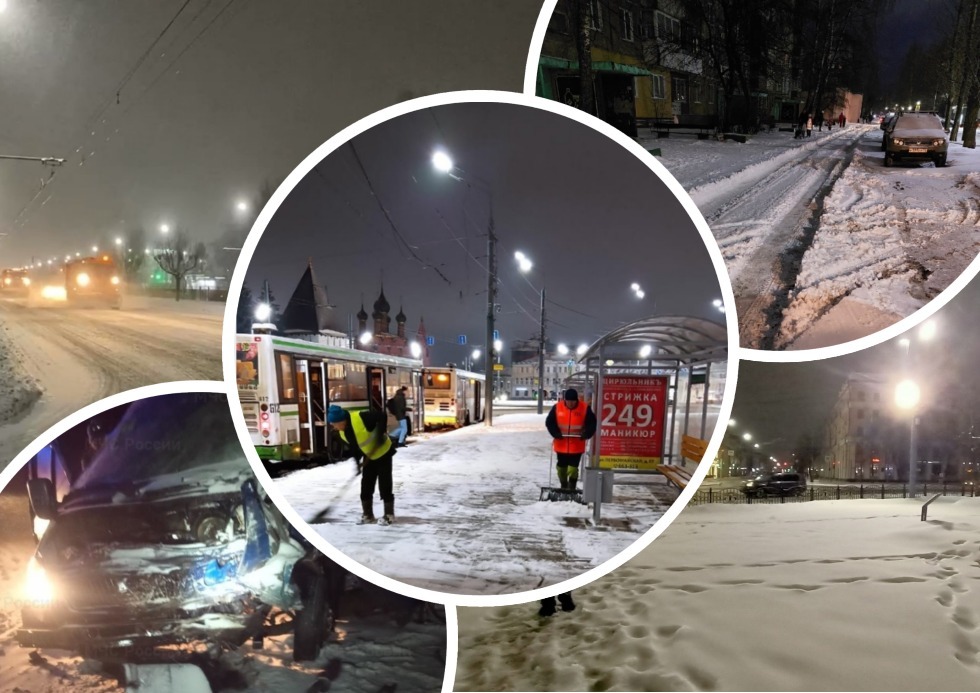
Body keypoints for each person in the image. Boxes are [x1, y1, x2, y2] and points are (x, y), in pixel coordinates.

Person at [327, 404, 397, 525]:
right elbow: (355, 449)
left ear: (341, 420)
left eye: (334, 424)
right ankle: (368, 515)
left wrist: (380, 435)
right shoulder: (343, 432)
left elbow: (381, 415)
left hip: (384, 452)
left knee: (384, 483)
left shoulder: (360, 417)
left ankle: (389, 515)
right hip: (369, 456)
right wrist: (356, 464)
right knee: (366, 485)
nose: (333, 427)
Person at [545, 388, 597, 494]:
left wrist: (586, 434)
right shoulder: (557, 408)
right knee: (561, 468)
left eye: (573, 401)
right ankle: (563, 484)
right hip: (561, 444)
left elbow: (592, 424)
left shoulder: (584, 408)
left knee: (573, 469)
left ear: (576, 400)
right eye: (568, 401)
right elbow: (550, 422)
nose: (571, 403)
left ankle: (572, 486)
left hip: (576, 445)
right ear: (565, 400)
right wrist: (555, 433)